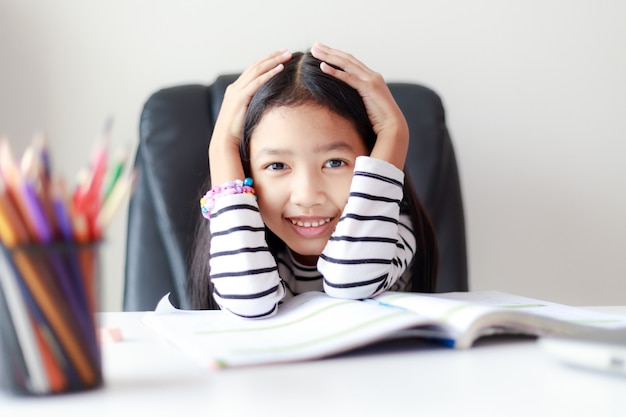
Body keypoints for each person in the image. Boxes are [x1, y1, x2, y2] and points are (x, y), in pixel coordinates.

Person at [189, 42, 438, 317]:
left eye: (334, 163)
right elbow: (249, 300)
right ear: (245, 172)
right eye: (277, 165)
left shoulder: (389, 228)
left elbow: (351, 283)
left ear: (373, 162)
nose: (307, 196)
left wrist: (393, 132)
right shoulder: (246, 235)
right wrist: (222, 145)